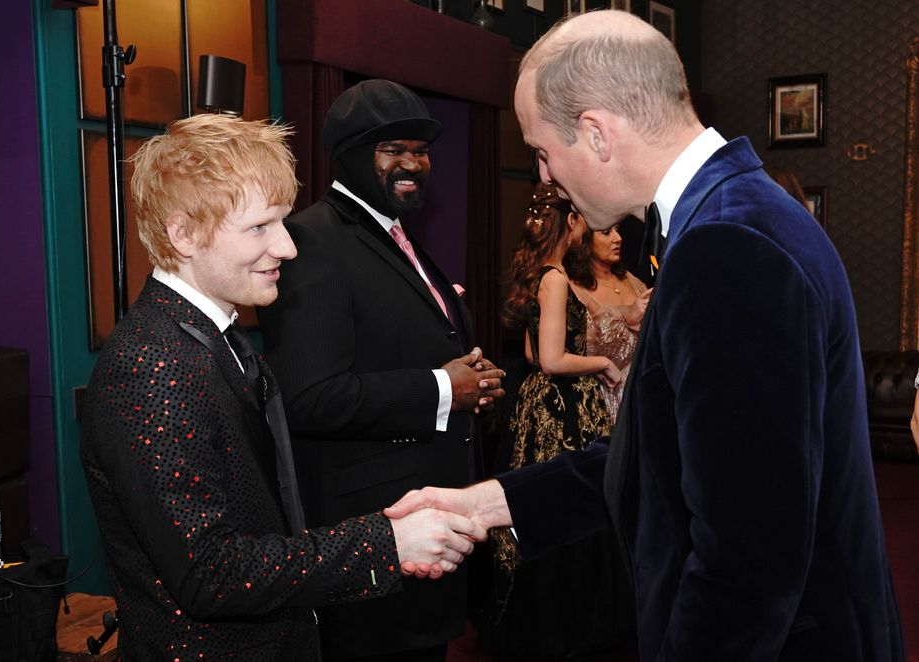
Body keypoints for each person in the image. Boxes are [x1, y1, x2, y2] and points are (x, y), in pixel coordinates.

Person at [387, 10, 905, 661]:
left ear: (597, 133)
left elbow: (746, 565)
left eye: (542, 152)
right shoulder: (732, 215)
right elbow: (665, 456)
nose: (544, 177)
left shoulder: (727, 245)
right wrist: (485, 504)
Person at [79, 114, 484, 661]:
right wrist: (385, 544)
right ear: (183, 235)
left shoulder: (212, 338)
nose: (288, 248)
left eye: (282, 223)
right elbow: (210, 572)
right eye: (259, 228)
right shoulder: (151, 364)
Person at [257, 79, 504, 662]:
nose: (412, 164)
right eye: (392, 149)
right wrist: (443, 388)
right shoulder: (311, 240)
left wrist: (472, 383)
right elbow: (309, 396)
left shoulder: (398, 238)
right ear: (349, 155)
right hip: (371, 540)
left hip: (427, 528)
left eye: (420, 150)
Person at [484, 182, 633, 659]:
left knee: (541, 507)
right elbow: (550, 360)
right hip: (563, 409)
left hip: (538, 404)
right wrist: (603, 363)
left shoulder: (543, 274)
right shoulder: (556, 278)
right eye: (583, 218)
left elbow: (531, 352)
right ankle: (571, 627)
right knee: (571, 509)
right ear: (570, 222)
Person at [572, 213, 650, 420]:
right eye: (607, 232)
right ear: (585, 241)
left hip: (637, 395)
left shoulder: (634, 283)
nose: (618, 238)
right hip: (597, 398)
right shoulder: (575, 290)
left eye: (617, 230)